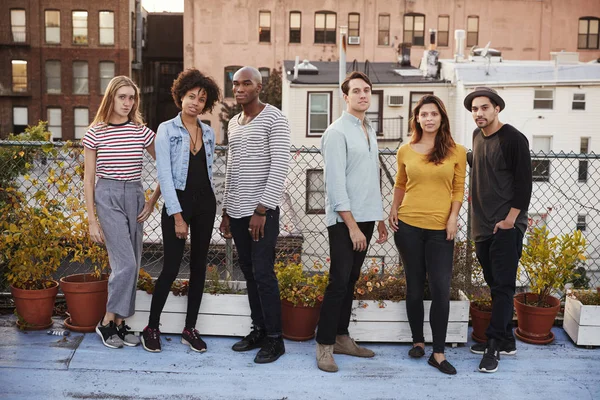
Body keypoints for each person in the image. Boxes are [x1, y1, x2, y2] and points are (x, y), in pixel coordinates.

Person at [141, 68, 221, 353]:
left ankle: (190, 329)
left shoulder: (208, 132)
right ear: (180, 97)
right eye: (191, 96)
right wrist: (176, 216)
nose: (195, 103)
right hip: (179, 204)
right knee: (171, 267)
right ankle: (151, 327)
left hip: (205, 205)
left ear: (205, 104)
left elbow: (208, 172)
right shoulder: (166, 129)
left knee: (199, 266)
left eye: (201, 99)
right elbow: (164, 175)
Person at [388, 95, 466, 375]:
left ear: (442, 118)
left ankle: (439, 353)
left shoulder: (457, 150)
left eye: (434, 114)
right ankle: (418, 342)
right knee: (414, 285)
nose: (429, 118)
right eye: (424, 114)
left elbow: (458, 189)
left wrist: (453, 217)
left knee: (440, 289)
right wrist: (394, 208)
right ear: (417, 118)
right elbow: (400, 182)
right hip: (408, 225)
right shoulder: (405, 150)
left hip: (440, 229)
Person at [315, 71, 388, 373]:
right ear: (345, 97)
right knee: (338, 281)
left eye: (366, 90)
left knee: (351, 280)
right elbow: (335, 184)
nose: (362, 95)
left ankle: (342, 337)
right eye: (356, 91)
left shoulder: (368, 128)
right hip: (345, 220)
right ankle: (324, 346)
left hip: (368, 217)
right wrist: (353, 225)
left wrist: (379, 218)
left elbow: (370, 179)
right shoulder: (337, 132)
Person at [219, 66, 291, 364]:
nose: (239, 89)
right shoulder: (234, 123)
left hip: (261, 213)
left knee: (263, 273)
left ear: (259, 87)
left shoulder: (275, 118)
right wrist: (225, 209)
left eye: (246, 83)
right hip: (236, 212)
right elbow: (231, 168)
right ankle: (259, 329)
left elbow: (279, 166)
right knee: (248, 273)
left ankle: (276, 339)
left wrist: (262, 209)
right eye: (235, 84)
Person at [83, 75, 160, 349]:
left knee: (133, 264)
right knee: (125, 263)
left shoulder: (141, 131)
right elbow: (89, 179)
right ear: (111, 98)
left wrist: (151, 202)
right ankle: (106, 322)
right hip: (108, 196)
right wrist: (92, 220)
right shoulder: (96, 132)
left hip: (135, 196)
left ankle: (119, 323)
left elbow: (166, 168)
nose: (127, 103)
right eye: (122, 97)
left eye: (131, 98)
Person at [464, 87, 532, 373]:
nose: (479, 113)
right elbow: (479, 164)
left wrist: (510, 220)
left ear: (497, 109)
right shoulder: (477, 137)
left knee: (503, 287)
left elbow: (524, 184)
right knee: (495, 285)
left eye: (484, 108)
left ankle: (492, 347)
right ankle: (506, 340)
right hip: (481, 226)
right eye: (474, 109)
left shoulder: (514, 139)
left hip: (506, 226)